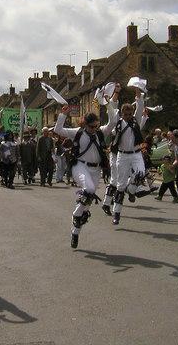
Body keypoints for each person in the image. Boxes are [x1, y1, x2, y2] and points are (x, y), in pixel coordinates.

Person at [54, 88, 118, 249]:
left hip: (96, 170)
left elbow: (113, 122)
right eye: (92, 127)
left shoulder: (101, 133)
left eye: (97, 126)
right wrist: (63, 114)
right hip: (80, 167)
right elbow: (58, 130)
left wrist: (108, 104)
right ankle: (76, 214)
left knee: (86, 206)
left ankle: (75, 232)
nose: (95, 129)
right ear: (85, 124)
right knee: (88, 189)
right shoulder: (78, 133)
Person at [103, 87, 149, 225]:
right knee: (120, 185)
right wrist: (109, 101)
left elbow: (140, 105)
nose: (129, 116)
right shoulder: (117, 122)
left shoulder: (136, 121)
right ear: (122, 114)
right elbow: (112, 110)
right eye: (126, 114)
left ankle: (132, 189)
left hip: (136, 154)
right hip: (121, 156)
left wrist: (137, 90)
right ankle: (117, 213)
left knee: (140, 173)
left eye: (130, 114)